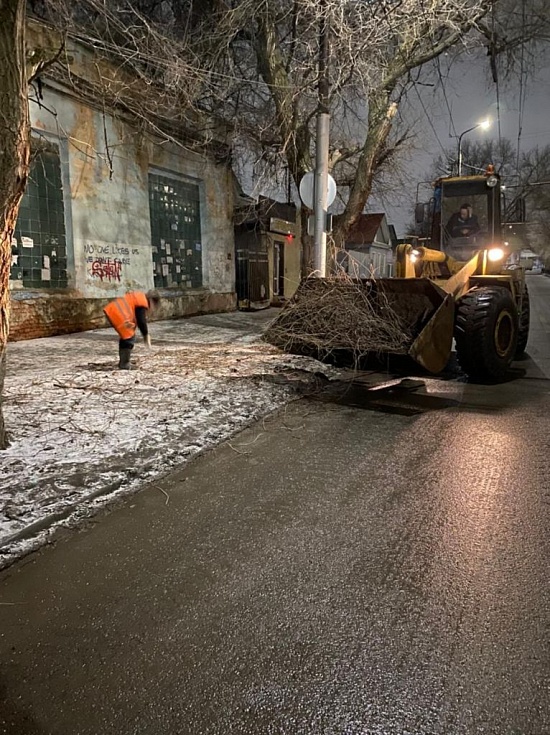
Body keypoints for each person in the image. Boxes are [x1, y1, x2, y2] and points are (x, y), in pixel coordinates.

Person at [103, 290, 161, 369]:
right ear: (152, 301)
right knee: (129, 337)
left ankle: (124, 361)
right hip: (119, 314)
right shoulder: (142, 302)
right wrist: (146, 334)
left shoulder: (138, 297)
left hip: (113, 310)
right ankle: (124, 363)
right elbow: (141, 321)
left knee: (126, 337)